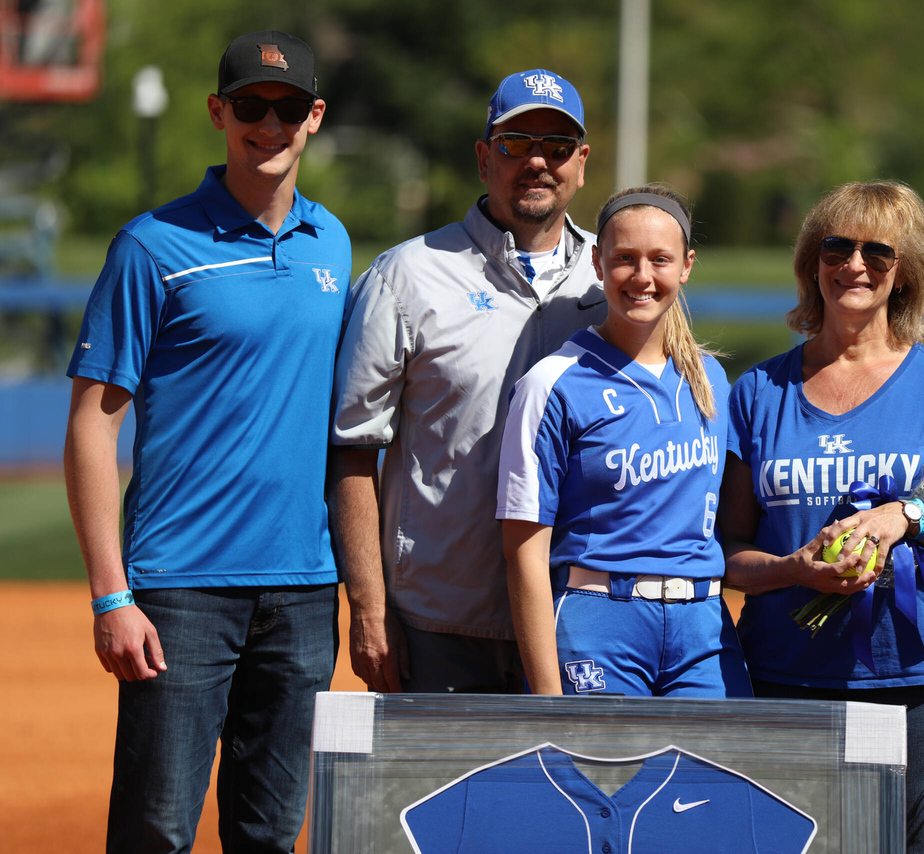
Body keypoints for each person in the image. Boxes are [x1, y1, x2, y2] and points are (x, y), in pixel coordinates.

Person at [63, 30, 346, 853]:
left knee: (269, 830)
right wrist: (112, 596)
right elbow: (93, 423)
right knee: (156, 830)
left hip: (301, 590)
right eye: (251, 106)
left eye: (288, 107)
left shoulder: (331, 243)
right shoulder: (151, 246)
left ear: (315, 117)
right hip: (180, 590)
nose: (270, 124)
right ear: (218, 112)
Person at [719, 181, 924, 853]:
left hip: (919, 679)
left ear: (905, 271)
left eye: (877, 251)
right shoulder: (758, 393)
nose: (854, 264)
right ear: (812, 261)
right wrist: (795, 569)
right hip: (783, 676)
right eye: (837, 245)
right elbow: (727, 553)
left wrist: (912, 517)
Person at [330, 69, 605, 694]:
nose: (538, 161)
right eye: (515, 143)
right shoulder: (408, 276)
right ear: (484, 159)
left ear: (581, 163)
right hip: (439, 623)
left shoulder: (613, 280)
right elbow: (351, 450)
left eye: (557, 146)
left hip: (579, 619)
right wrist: (370, 609)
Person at [496, 186, 751, 697]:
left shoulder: (712, 380)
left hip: (703, 627)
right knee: (603, 779)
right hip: (598, 621)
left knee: (713, 777)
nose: (642, 277)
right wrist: (548, 701)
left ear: (686, 265)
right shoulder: (553, 383)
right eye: (624, 259)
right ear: (597, 262)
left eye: (660, 259)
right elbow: (523, 553)